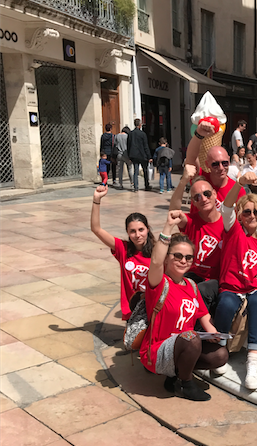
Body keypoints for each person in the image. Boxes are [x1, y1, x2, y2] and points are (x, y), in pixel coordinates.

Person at [140, 217, 228, 401]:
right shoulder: (159, 283)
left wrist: (213, 333)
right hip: (158, 350)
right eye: (177, 256)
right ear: (167, 257)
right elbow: (155, 263)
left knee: (220, 355)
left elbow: (203, 313)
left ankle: (174, 377)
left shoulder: (191, 286)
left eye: (188, 257)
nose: (183, 261)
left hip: (184, 345)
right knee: (192, 337)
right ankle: (186, 383)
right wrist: (167, 227)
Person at [215, 172, 257, 390]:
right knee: (226, 304)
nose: (252, 215)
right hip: (232, 286)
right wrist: (239, 184)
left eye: (256, 212)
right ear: (240, 215)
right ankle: (220, 351)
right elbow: (226, 208)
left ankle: (253, 361)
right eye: (247, 211)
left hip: (254, 288)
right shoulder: (233, 231)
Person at [90, 185, 155, 320]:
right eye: (132, 231)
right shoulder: (123, 249)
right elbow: (96, 229)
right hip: (132, 311)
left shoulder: (157, 251)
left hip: (154, 309)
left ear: (148, 229)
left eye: (141, 229)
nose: (137, 235)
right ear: (127, 232)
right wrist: (96, 200)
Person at [168, 168, 225, 313]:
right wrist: (183, 181)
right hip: (192, 275)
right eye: (197, 197)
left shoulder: (227, 224)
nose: (203, 199)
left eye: (206, 194)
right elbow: (173, 212)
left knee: (200, 290)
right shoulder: (192, 221)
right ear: (193, 201)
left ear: (214, 194)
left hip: (215, 280)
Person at [185, 120, 246, 208]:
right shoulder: (201, 179)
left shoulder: (237, 189)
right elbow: (191, 157)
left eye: (225, 163)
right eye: (215, 164)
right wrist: (199, 134)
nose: (221, 168)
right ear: (207, 164)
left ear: (229, 161)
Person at [127, 119, 153, 192]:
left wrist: (129, 156)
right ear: (140, 125)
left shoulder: (130, 134)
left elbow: (128, 145)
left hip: (134, 155)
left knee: (136, 171)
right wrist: (149, 156)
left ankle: (136, 187)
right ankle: (146, 185)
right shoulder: (142, 134)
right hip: (142, 155)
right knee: (145, 170)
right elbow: (145, 146)